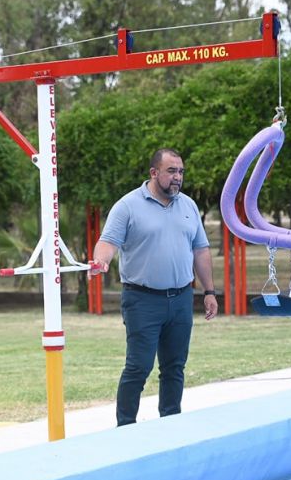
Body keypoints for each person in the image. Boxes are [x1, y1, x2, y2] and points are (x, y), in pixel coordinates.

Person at [90, 148, 218, 427]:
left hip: (181, 299)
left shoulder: (188, 206)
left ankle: (170, 426)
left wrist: (209, 291)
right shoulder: (127, 206)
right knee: (138, 367)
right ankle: (125, 428)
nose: (178, 177)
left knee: (174, 367)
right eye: (171, 171)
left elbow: (201, 250)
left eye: (181, 172)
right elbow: (108, 242)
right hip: (142, 300)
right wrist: (101, 261)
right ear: (154, 173)